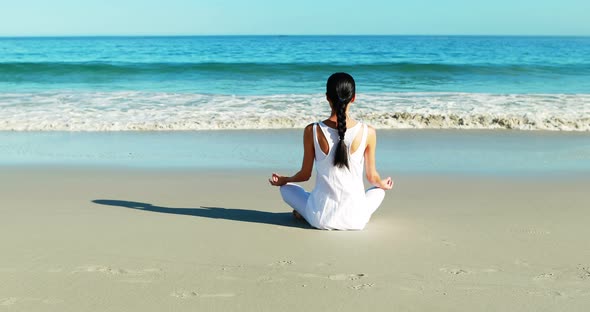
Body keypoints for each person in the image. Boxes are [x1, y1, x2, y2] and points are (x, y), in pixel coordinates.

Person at [269, 73, 393, 230]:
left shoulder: (312, 130)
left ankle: (304, 212)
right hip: (356, 219)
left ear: (327, 97)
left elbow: (305, 174)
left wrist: (284, 180)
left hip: (320, 218)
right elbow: (372, 177)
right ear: (353, 98)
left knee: (286, 189)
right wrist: (382, 184)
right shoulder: (368, 132)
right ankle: (311, 211)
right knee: (379, 191)